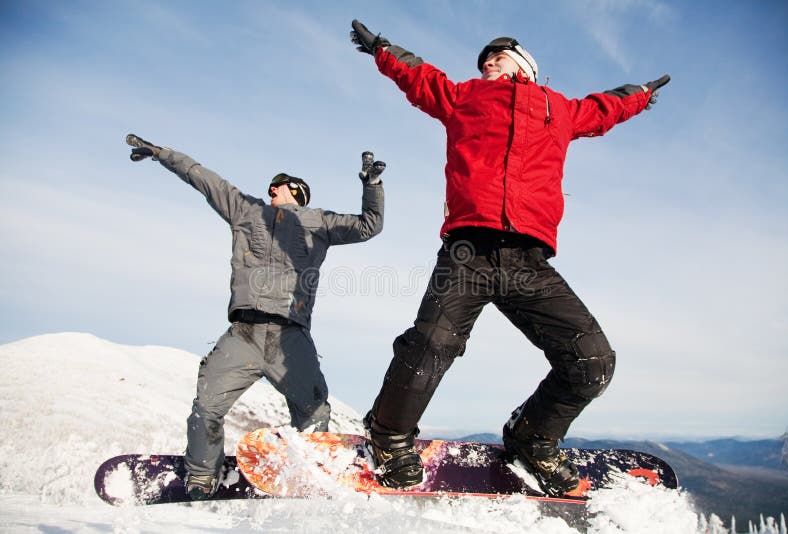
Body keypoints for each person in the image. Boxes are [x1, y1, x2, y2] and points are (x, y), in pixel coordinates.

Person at [349, 21, 670, 495]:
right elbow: (419, 77)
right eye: (483, 59)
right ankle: (390, 435)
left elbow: (607, 107)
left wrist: (641, 93)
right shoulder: (465, 97)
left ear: (525, 64)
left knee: (592, 361)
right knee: (430, 345)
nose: (487, 62)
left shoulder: (558, 109)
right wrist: (382, 49)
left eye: (497, 56)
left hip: (528, 261)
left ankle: (533, 438)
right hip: (468, 252)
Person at [126, 134, 386, 499]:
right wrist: (162, 154)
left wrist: (372, 186)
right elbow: (202, 177)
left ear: (296, 191)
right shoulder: (246, 210)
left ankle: (309, 477)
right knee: (206, 407)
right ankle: (202, 478)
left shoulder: (320, 222)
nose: (270, 190)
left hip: (289, 337)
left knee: (314, 412)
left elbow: (369, 226)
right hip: (244, 332)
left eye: (276, 186)